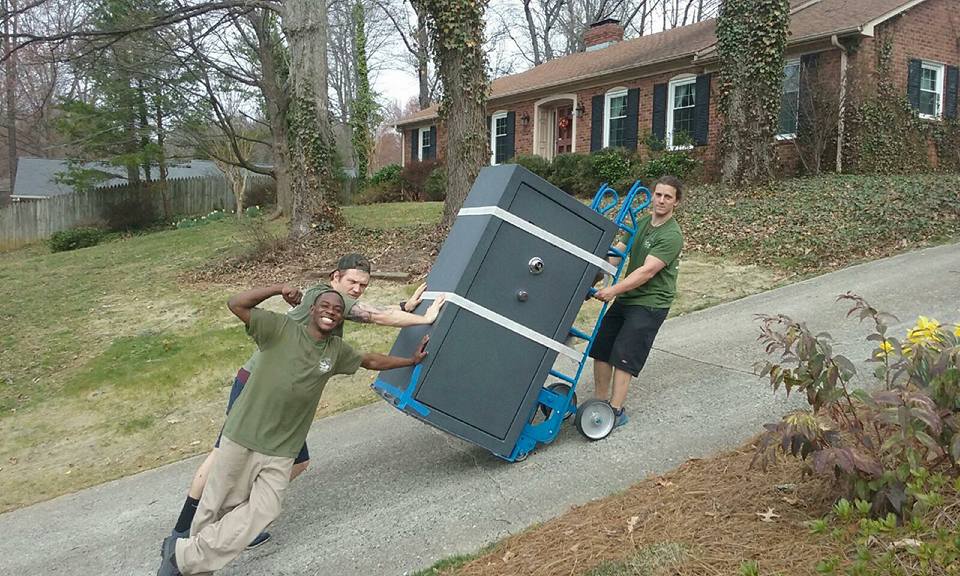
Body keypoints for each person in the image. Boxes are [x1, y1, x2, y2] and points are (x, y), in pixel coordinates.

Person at [169, 253, 444, 546]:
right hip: (257, 383)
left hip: (287, 395)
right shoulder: (324, 296)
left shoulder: (333, 303)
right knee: (220, 457)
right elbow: (375, 315)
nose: (356, 289)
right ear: (334, 277)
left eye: (363, 285)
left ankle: (238, 523)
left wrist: (405, 307)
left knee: (298, 462)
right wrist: (424, 318)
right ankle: (182, 532)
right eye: (351, 281)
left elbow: (368, 318)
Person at [588, 175, 684, 430]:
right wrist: (594, 275)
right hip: (628, 297)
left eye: (668, 197)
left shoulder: (672, 235)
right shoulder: (641, 223)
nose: (661, 200)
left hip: (651, 302)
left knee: (624, 355)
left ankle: (616, 411)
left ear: (676, 203)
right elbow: (616, 255)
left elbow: (646, 272)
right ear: (652, 196)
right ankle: (599, 403)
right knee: (601, 347)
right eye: (658, 194)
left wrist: (612, 291)